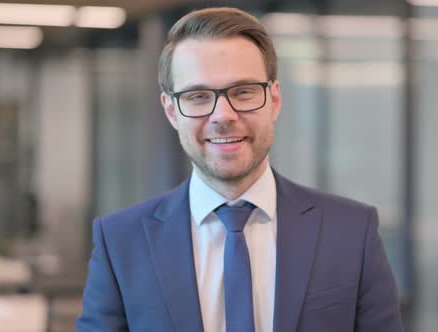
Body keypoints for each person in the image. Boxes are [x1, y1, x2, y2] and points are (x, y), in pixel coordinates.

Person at [77, 7, 403, 332]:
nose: (223, 115)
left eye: (243, 92)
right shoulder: (120, 242)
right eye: (198, 96)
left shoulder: (350, 232)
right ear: (171, 110)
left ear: (274, 99)